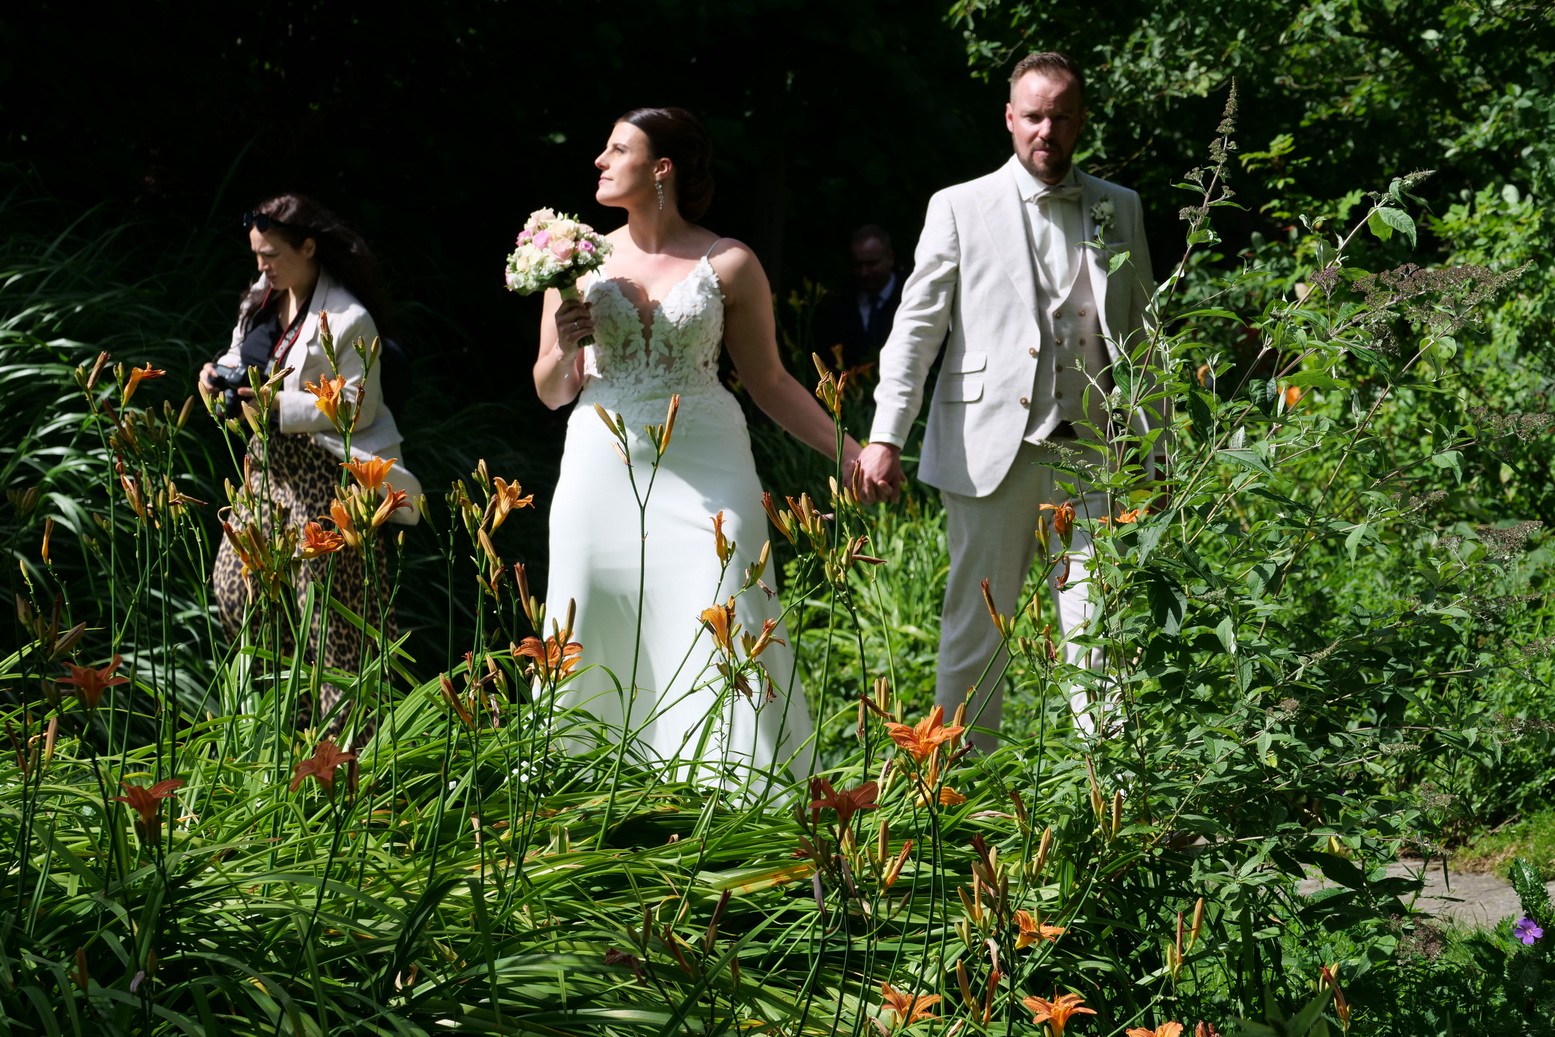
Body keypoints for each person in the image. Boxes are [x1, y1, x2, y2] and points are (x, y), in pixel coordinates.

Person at [534, 107, 861, 792]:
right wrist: (565, 345)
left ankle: (744, 801)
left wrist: (850, 454)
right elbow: (549, 389)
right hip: (603, 459)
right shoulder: (571, 256)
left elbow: (769, 382)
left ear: (662, 169)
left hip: (706, 458)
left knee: (729, 608)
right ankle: (585, 796)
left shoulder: (730, 263)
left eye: (616, 148)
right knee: (586, 610)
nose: (598, 158)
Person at [855, 52, 1161, 746]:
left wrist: (1159, 447)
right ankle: (962, 791)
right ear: (1009, 118)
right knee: (974, 625)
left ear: (1079, 120)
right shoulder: (958, 206)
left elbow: (1143, 333)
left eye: (1058, 115)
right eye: (1032, 116)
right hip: (987, 445)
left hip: (1098, 452)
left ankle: (1109, 798)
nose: (1044, 129)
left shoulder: (1121, 206)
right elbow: (916, 329)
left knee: (1102, 628)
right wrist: (884, 434)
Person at [204, 194, 421, 730]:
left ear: (308, 246)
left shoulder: (349, 318)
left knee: (331, 632)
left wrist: (275, 405)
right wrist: (215, 377)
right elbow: (239, 357)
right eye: (256, 255)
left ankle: (354, 766)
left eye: (272, 254)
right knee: (235, 593)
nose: (262, 266)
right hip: (265, 472)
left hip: (326, 479)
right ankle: (300, 735)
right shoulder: (261, 297)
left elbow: (358, 403)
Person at [818, 224, 904, 371]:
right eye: (858, 265)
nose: (864, 272)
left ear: (890, 258)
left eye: (872, 264)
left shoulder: (910, 298)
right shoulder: (841, 304)